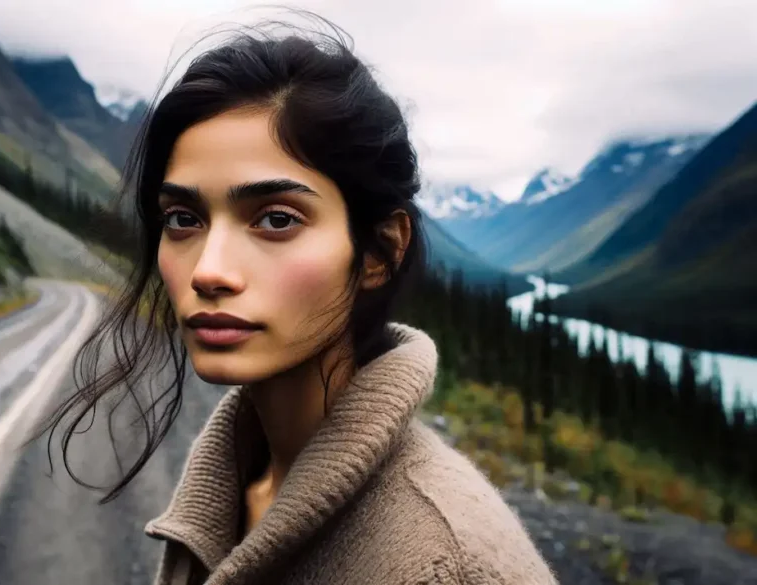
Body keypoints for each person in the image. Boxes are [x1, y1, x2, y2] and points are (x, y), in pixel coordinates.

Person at [42, 13, 557, 585]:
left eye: (277, 219)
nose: (208, 272)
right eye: (183, 218)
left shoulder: (444, 565)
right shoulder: (243, 476)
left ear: (380, 252)